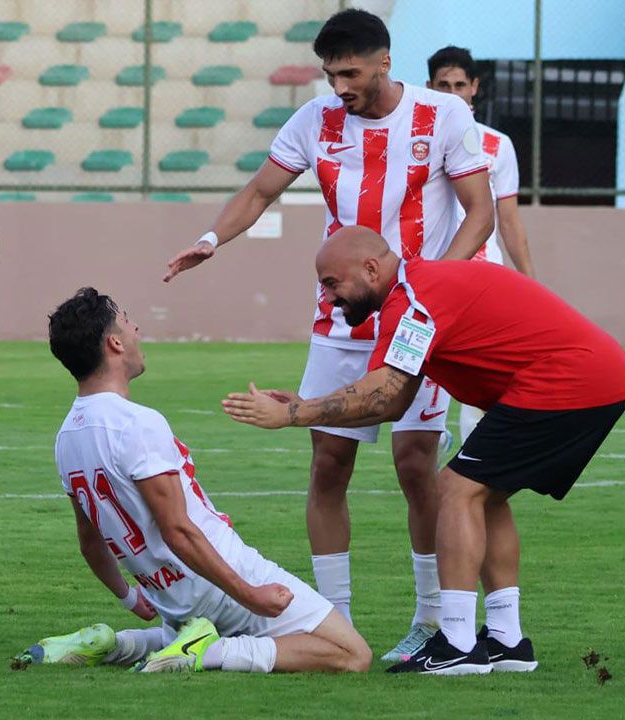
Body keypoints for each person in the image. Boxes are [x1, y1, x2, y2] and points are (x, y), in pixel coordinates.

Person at [162, 8, 494, 661]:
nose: (339, 86)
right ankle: (334, 621)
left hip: (416, 320)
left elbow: (479, 213)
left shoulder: (443, 116)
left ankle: (429, 620)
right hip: (342, 318)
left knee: (415, 464)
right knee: (328, 464)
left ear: (384, 62)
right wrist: (210, 239)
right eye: (330, 74)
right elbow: (259, 192)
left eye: (350, 73)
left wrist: (432, 295)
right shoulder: (315, 120)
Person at [221, 227, 625, 675]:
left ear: (371, 269)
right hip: (590, 376)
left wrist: (292, 414)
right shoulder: (416, 292)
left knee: (455, 489)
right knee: (485, 495)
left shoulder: (412, 300)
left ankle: (457, 642)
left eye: (332, 283)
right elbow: (394, 401)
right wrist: (306, 407)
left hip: (568, 380)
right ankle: (507, 640)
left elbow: (380, 394)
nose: (328, 297)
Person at [16, 287, 371, 675]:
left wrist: (130, 598)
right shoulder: (137, 423)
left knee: (181, 632)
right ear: (114, 343)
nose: (136, 328)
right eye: (127, 320)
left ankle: (116, 644)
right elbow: (178, 531)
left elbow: (90, 542)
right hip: (217, 578)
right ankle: (208, 652)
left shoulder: (66, 437)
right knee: (351, 652)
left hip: (171, 598)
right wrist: (250, 594)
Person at [426, 45, 537, 443]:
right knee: (428, 371)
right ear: (430, 87)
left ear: (474, 87)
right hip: (433, 274)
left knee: (483, 377)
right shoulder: (418, 143)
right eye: (444, 85)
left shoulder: (497, 145)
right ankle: (432, 438)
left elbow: (509, 220)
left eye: (460, 85)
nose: (453, 93)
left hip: (483, 279)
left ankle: (474, 462)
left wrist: (530, 283)